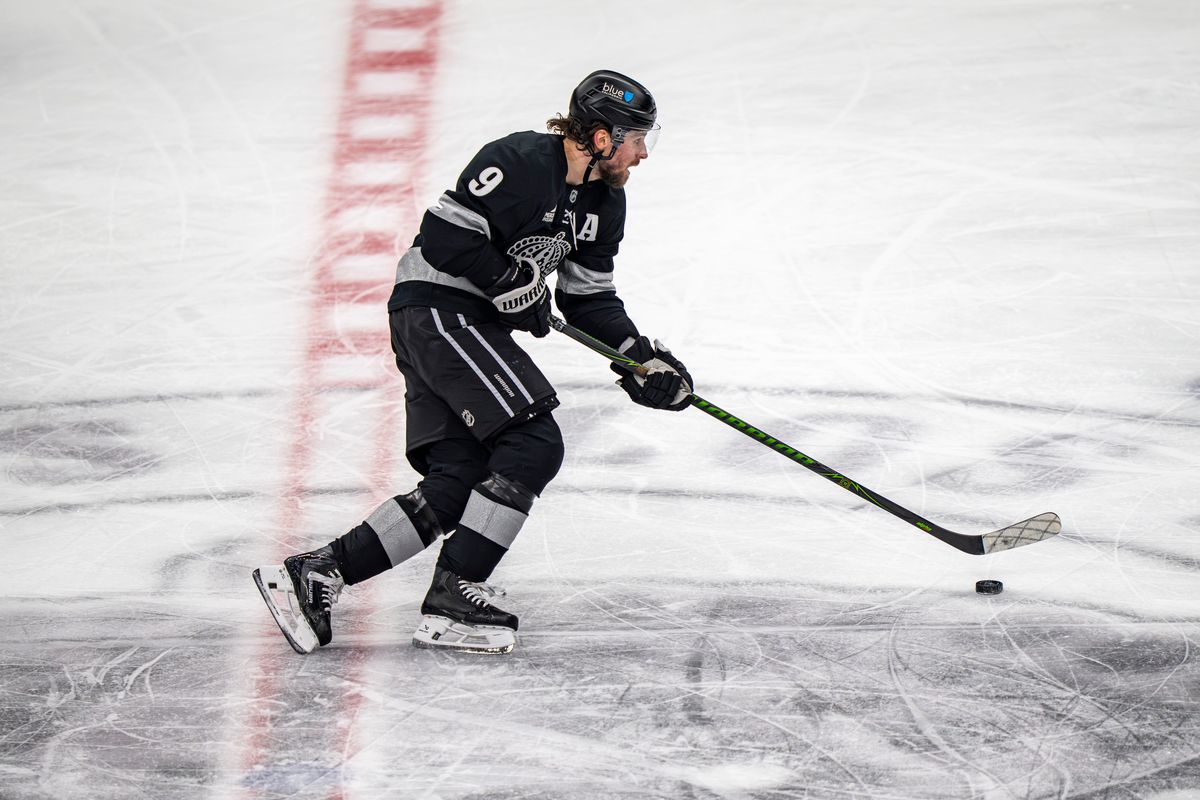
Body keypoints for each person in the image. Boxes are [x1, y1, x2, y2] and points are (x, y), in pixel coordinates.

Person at [253, 69, 693, 655]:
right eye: (637, 138)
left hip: (463, 325)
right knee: (533, 444)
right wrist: (507, 278)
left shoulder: (604, 202)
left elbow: (588, 299)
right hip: (436, 310)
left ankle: (319, 573)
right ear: (602, 136)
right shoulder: (517, 160)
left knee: (458, 481)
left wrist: (642, 362)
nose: (642, 154)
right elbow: (443, 236)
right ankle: (454, 592)